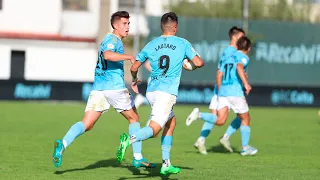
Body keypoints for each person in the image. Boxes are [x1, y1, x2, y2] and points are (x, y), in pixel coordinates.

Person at [52, 11, 155, 168]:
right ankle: (137, 157)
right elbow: (107, 55)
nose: (127, 27)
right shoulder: (113, 40)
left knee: (87, 124)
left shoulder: (111, 40)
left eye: (128, 24)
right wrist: (128, 57)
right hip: (114, 88)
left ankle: (63, 144)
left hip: (98, 89)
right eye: (124, 24)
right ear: (115, 25)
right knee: (134, 118)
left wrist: (133, 79)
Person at [116, 12, 204, 175]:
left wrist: (134, 80)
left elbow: (134, 67)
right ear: (175, 27)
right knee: (155, 129)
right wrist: (189, 65)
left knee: (171, 123)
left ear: (161, 27)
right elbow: (199, 62)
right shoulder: (182, 43)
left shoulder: (152, 44)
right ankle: (130, 139)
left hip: (152, 91)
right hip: (166, 93)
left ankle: (166, 163)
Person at [186, 26, 245, 154]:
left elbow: (221, 71)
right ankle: (224, 136)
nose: (243, 39)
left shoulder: (226, 51)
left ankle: (201, 140)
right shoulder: (234, 53)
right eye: (242, 36)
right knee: (238, 117)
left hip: (220, 88)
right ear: (235, 37)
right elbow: (224, 72)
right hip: (227, 89)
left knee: (214, 118)